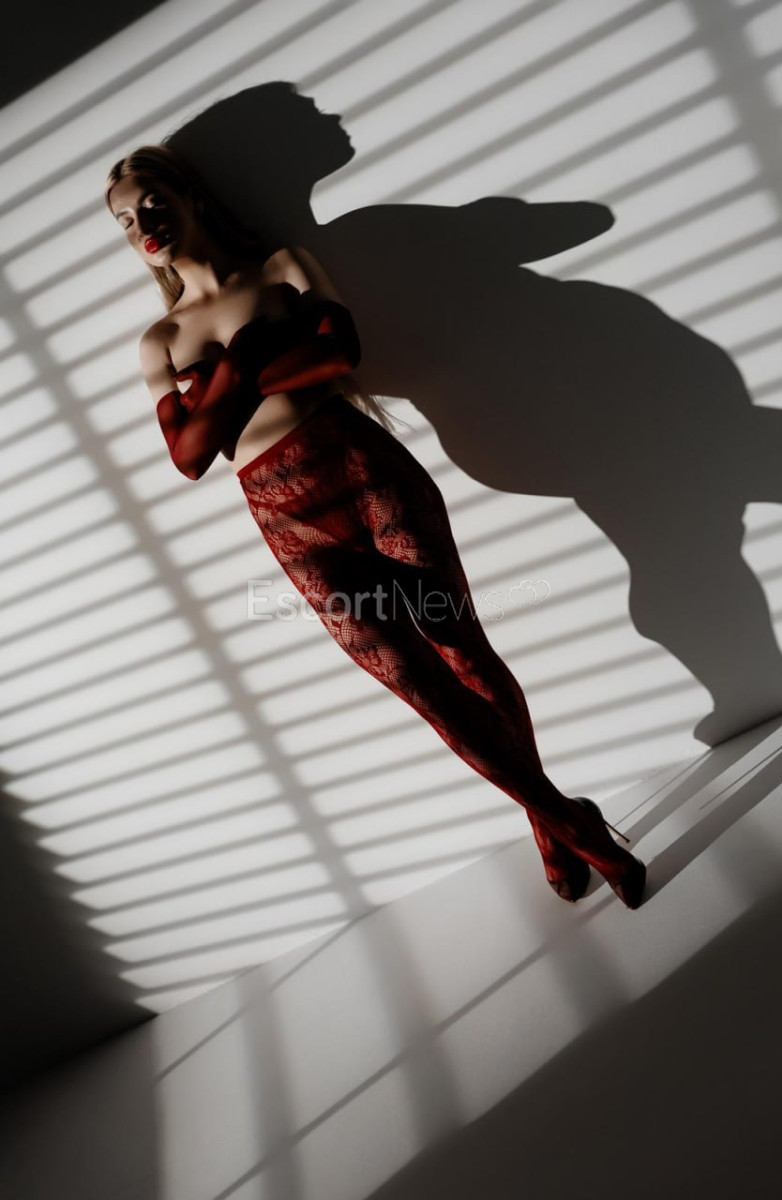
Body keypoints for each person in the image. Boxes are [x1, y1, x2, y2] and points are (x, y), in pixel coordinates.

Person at [105, 143, 647, 909]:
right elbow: (190, 456)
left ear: (190, 196)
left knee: (461, 649)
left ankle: (548, 826)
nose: (143, 225)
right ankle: (569, 818)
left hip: (366, 472)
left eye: (152, 202)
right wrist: (254, 354)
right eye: (125, 221)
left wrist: (229, 386)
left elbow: (338, 357)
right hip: (289, 520)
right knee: (418, 686)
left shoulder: (282, 266)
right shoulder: (160, 341)